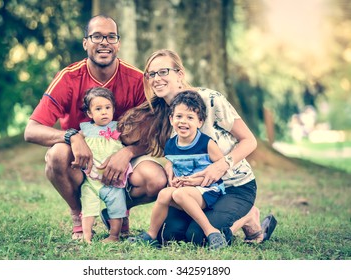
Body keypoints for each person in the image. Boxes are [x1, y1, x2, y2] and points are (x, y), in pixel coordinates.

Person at [24, 14, 166, 240]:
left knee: (156, 179)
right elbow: (31, 130)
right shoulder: (69, 78)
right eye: (97, 36)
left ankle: (116, 209)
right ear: (85, 43)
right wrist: (73, 137)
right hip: (83, 158)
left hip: (123, 159)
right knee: (56, 156)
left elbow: (153, 132)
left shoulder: (138, 80)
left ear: (118, 43)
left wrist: (127, 152)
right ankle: (78, 214)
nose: (104, 43)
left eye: (111, 37)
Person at [119, 49, 277, 246]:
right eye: (151, 74)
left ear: (180, 75)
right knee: (169, 235)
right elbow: (175, 152)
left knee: (198, 237)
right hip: (196, 191)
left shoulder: (210, 100)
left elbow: (249, 141)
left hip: (233, 186)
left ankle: (248, 216)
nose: (156, 78)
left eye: (163, 72)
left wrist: (221, 165)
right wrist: (171, 169)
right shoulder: (166, 115)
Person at [129, 91, 228, 249]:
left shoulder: (207, 144)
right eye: (179, 116)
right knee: (164, 193)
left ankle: (211, 232)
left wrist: (195, 181)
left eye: (190, 117)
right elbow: (173, 165)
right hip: (184, 189)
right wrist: (174, 178)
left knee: (178, 193)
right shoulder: (170, 145)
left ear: (200, 122)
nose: (183, 121)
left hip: (207, 190)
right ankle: (151, 235)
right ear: (171, 119)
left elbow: (221, 169)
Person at [79, 87, 132, 243]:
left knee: (117, 207)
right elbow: (77, 140)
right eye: (98, 109)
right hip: (91, 179)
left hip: (113, 180)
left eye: (108, 108)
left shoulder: (118, 127)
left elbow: (131, 141)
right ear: (89, 113)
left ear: (113, 109)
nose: (104, 112)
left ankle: (114, 236)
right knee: (88, 206)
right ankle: (86, 236)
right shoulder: (86, 129)